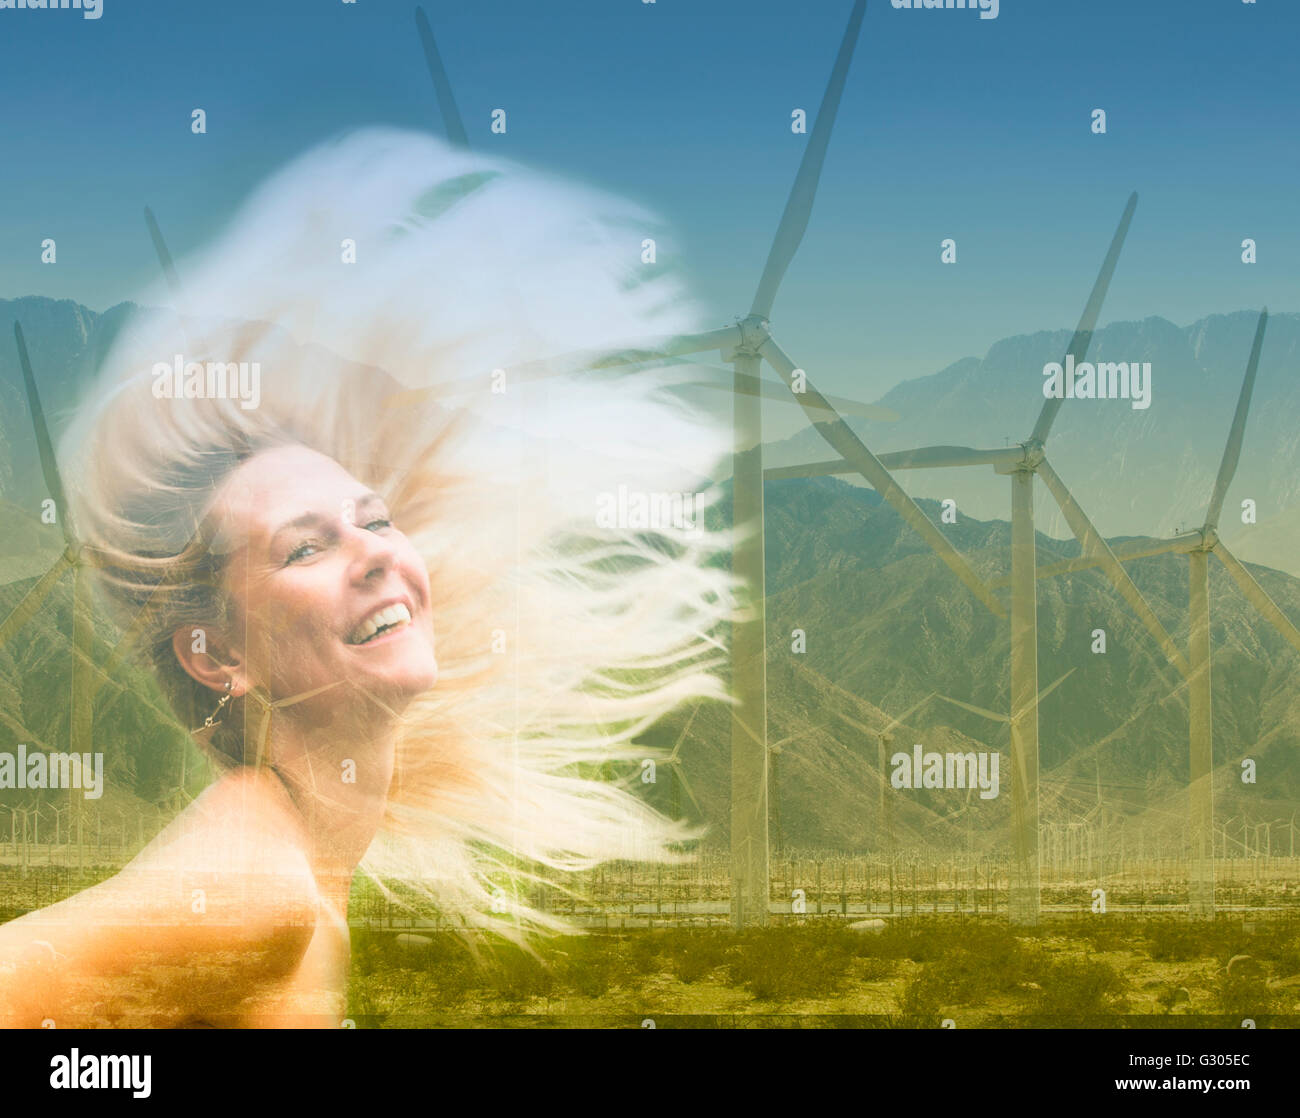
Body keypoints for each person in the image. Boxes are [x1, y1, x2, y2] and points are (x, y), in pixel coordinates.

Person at [0, 130, 737, 1027]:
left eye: (377, 519)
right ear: (214, 654)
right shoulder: (246, 894)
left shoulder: (297, 873)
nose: (377, 552)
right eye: (305, 549)